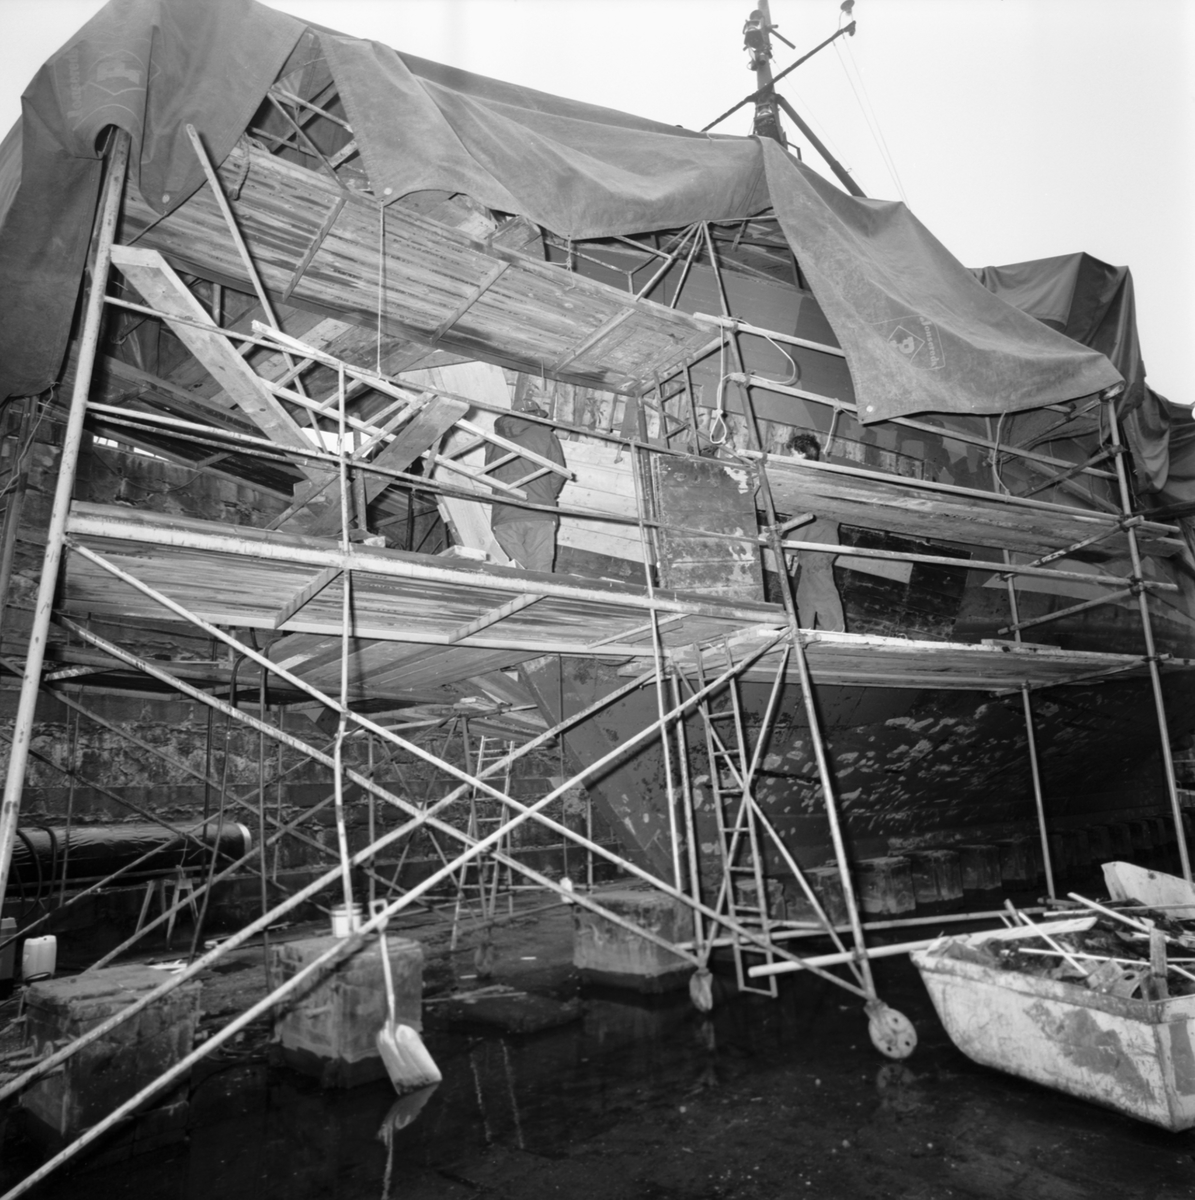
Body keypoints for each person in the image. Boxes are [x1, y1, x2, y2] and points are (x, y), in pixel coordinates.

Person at [486, 399, 567, 572]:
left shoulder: (493, 439)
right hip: (539, 511)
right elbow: (558, 473)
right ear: (536, 416)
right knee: (540, 572)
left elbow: (490, 473)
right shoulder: (545, 435)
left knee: (516, 571)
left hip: (504, 513)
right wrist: (545, 493)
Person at [786, 433, 846, 631]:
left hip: (819, 545)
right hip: (814, 546)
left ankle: (836, 632)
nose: (789, 457)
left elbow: (803, 516)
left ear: (802, 453)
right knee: (806, 596)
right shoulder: (814, 478)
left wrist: (789, 550)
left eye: (792, 453)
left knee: (822, 592)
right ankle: (803, 631)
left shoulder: (809, 479)